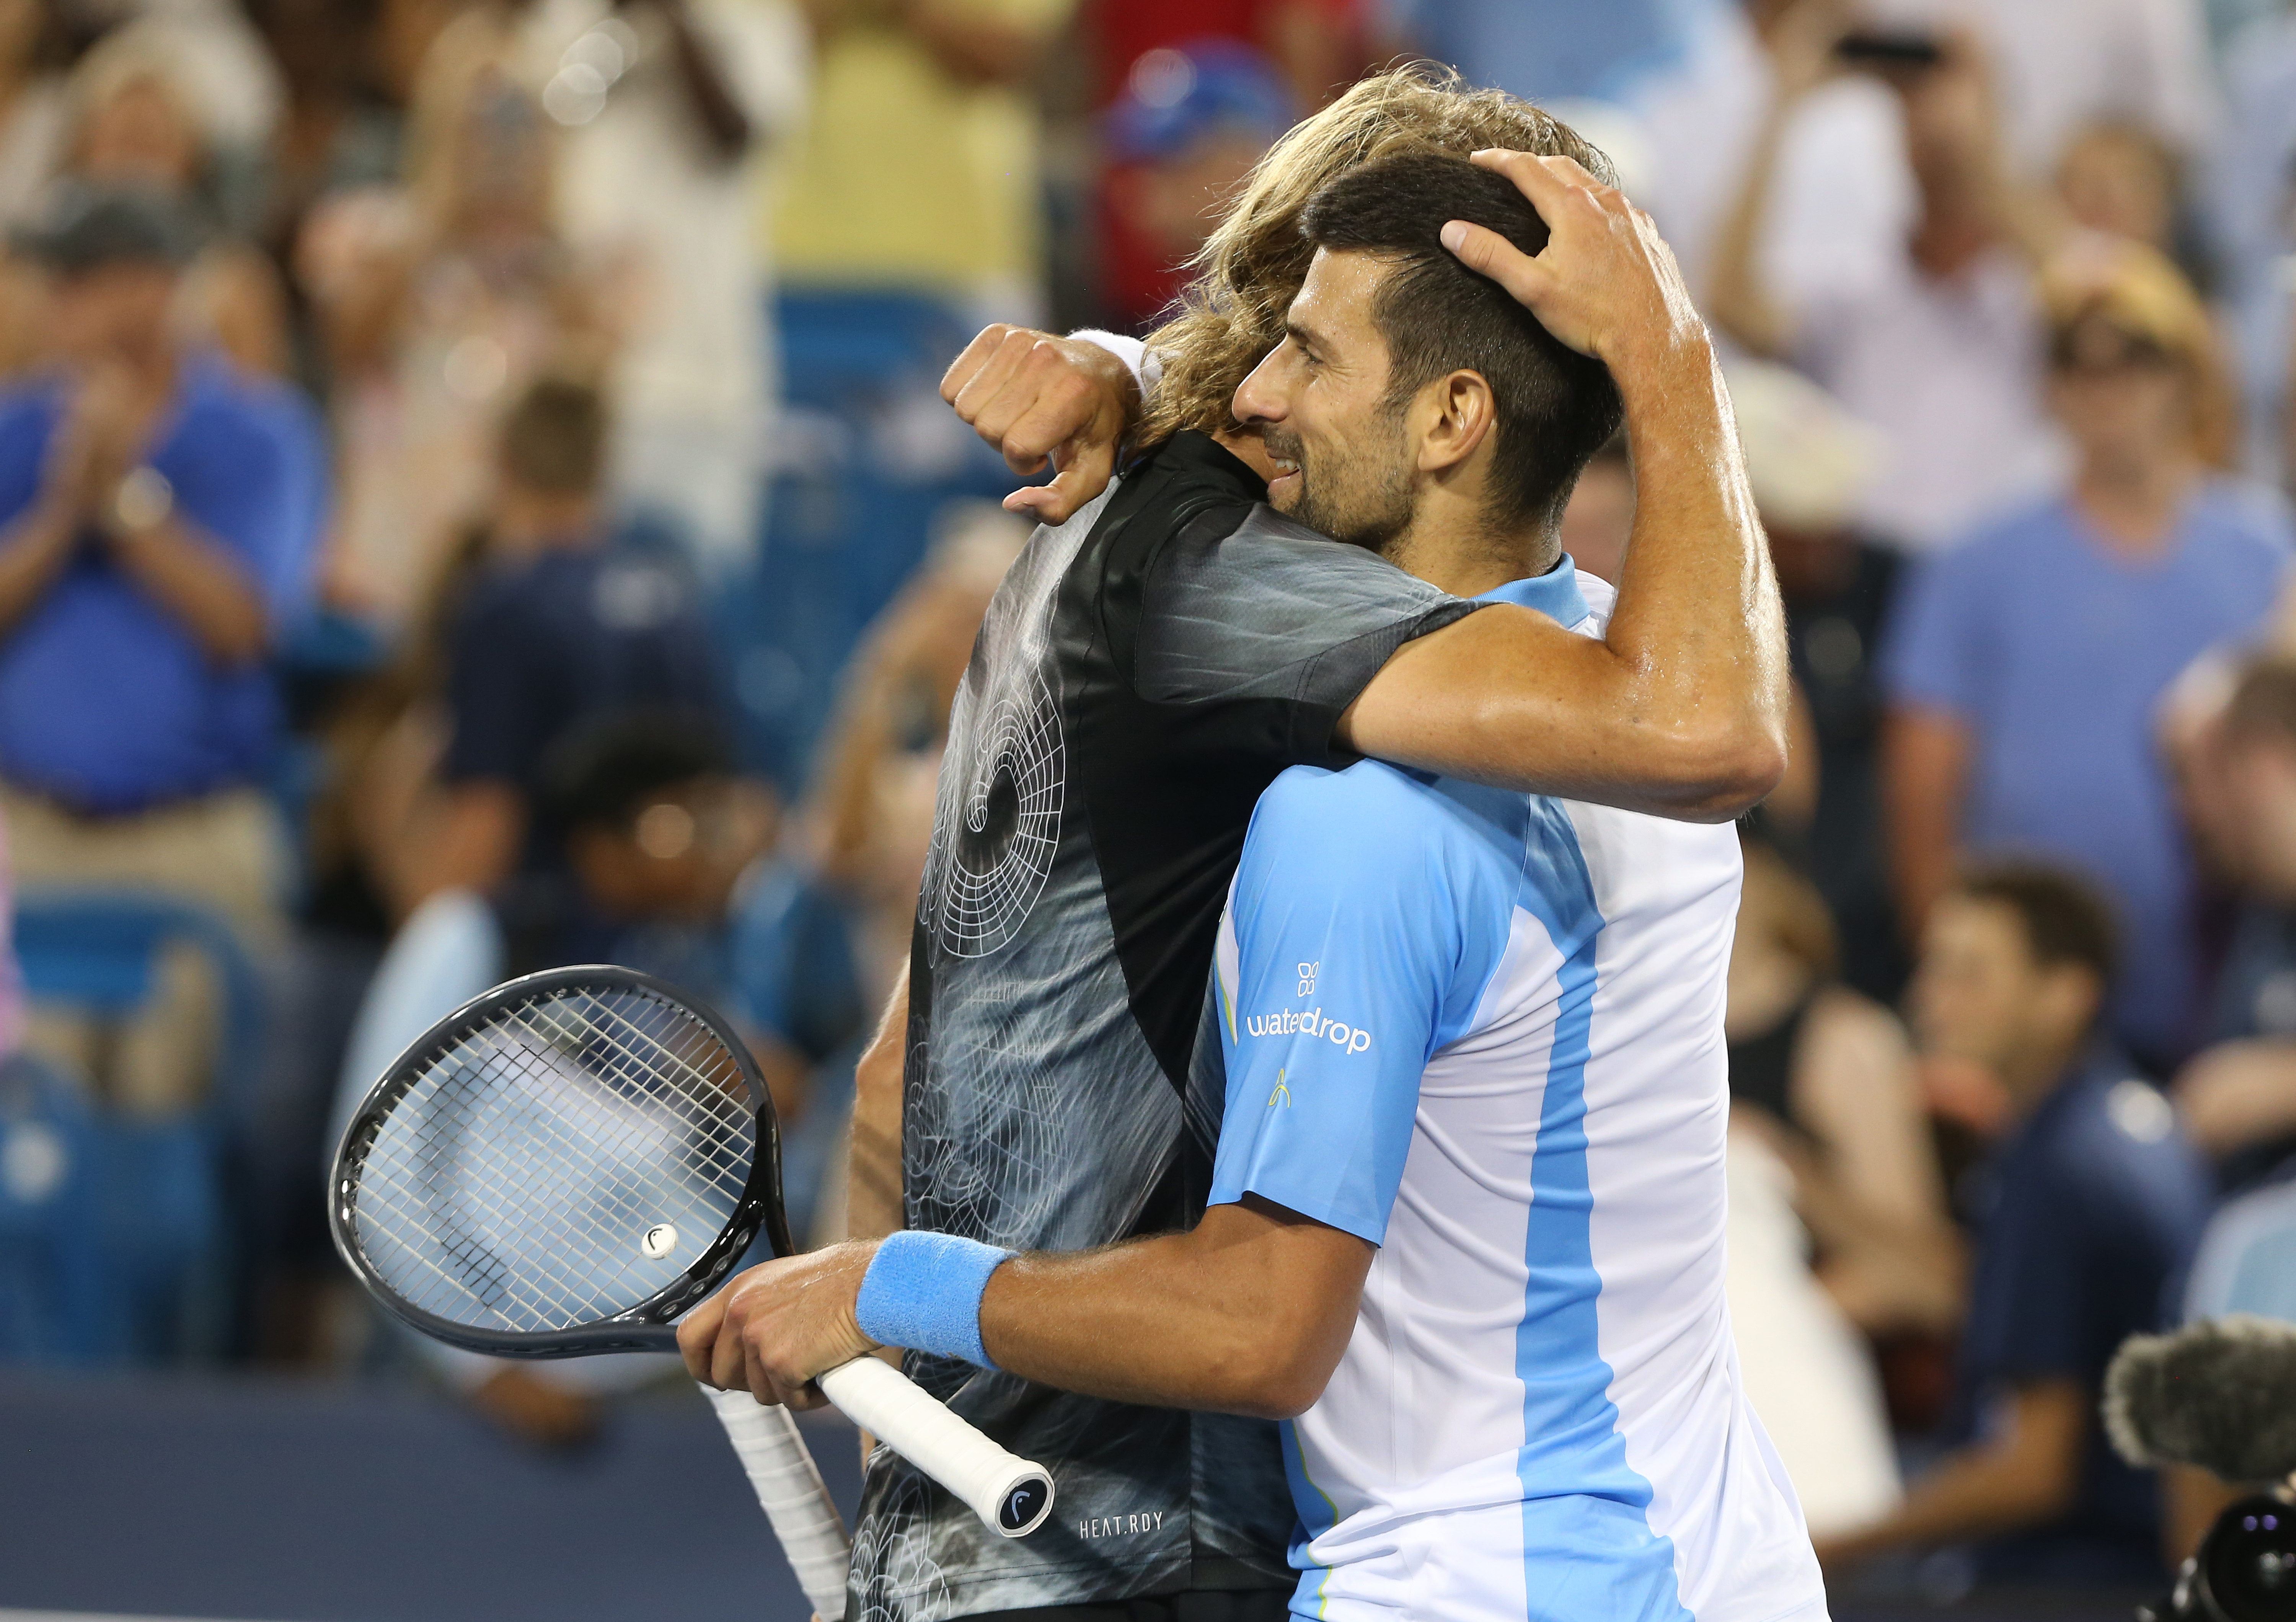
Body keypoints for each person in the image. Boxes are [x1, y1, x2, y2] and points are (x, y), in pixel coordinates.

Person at [698, 59, 1789, 1620]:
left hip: (1478, 1584)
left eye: (1302, 348)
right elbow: (1711, 706)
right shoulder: (1635, 656)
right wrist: (1121, 374)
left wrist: (882, 1286)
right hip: (1722, 1563)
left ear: (1454, 417)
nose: (1256, 394)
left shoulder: (1356, 826)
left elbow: (1258, 1325)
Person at [1881, 240, 2290, 1074]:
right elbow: (1920, 801)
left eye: (2138, 357)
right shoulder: (1975, 563)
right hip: (2031, 1010)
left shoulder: (2269, 557)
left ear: (2188, 374)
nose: (2108, 386)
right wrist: (1963, 993)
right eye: (2077, 361)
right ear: (2051, 385)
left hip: (2234, 983)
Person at [333, 711, 763, 1443]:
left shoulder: (714, 970)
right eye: (682, 822)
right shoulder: (472, 937)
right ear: (600, 844)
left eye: (720, 819)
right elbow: (373, 1168)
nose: (713, 847)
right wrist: (477, 1366)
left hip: (668, 1375)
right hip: (487, 1385)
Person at [0, 181, 323, 1108]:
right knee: (30, 1130)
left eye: (95, 279)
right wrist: (62, 509)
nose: (70, 305)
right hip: (32, 837)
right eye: (63, 282)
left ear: (158, 289)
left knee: (167, 1128)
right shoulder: (17, 429)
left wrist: (123, 499)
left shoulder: (258, 433)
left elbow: (243, 626)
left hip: (191, 839)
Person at [1817, 863, 2212, 1587]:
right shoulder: (2123, 1121)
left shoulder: (2060, 1171)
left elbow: (2033, 1473)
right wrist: (1804, 1183)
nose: (1928, 998)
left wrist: (1829, 1545)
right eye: (1933, 967)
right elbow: (1969, 1284)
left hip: (2077, 1575)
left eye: (1968, 974)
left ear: (2065, 994)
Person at [1707, 13, 2066, 552]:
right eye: (1910, 114)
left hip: (2005, 562)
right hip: (1871, 565)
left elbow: (2107, 294)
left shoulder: (2032, 291)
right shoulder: (1860, 287)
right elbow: (1733, 305)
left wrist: (1983, 151)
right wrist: (1782, 110)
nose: (1931, 130)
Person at [398, 374, 730, 906]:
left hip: (549, 939)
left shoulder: (505, 608)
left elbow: (485, 830)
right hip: (676, 941)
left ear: (504, 463)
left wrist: (418, 920)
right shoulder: (674, 599)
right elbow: (728, 798)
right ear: (602, 466)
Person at [2172, 659, 2296, 1185]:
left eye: (2193, 776)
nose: (2187, 810)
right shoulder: (2254, 911)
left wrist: (2283, 1085)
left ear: (2263, 762)